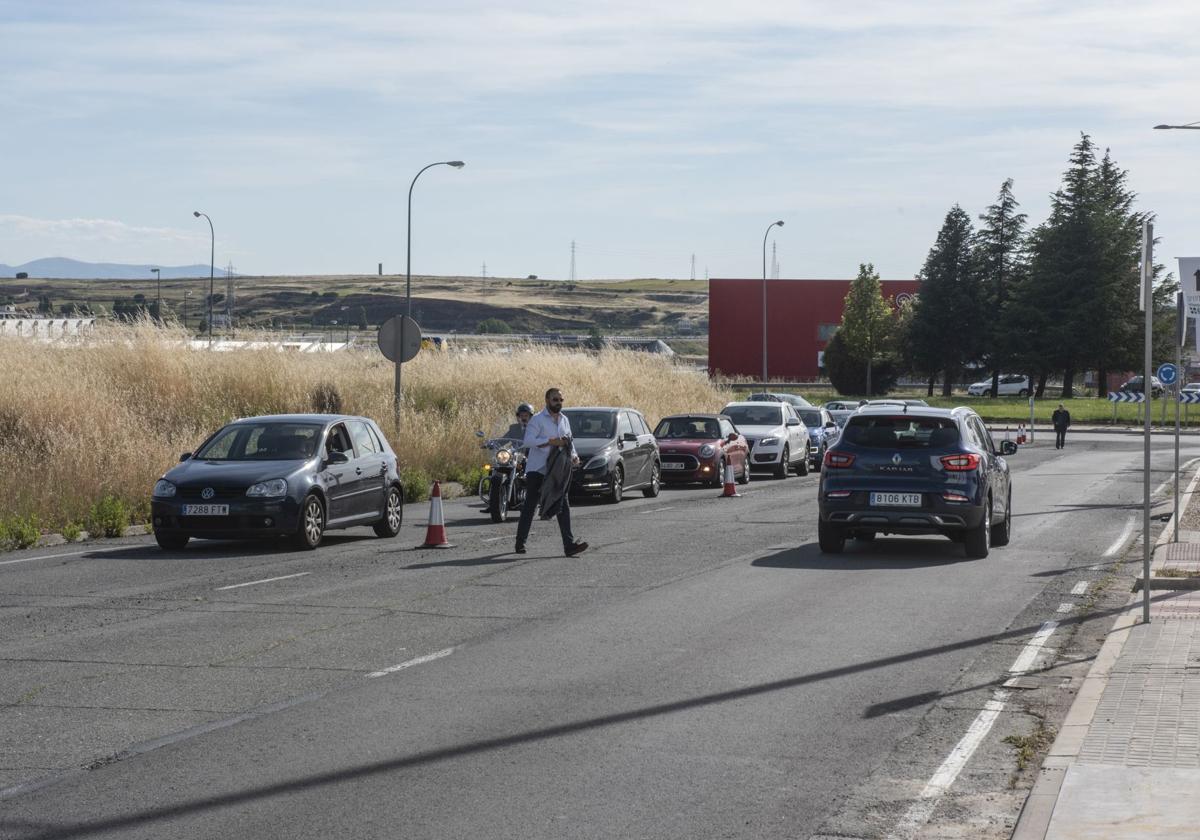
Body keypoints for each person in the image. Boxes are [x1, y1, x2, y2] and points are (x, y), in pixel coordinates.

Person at [514, 388, 588, 557]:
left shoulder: (564, 420)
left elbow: (569, 441)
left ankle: (569, 545)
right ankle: (520, 542)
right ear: (547, 400)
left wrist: (574, 456)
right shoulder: (538, 420)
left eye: (561, 400)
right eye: (555, 400)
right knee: (530, 505)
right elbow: (528, 441)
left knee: (563, 505)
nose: (559, 403)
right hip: (538, 469)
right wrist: (549, 442)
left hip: (557, 470)